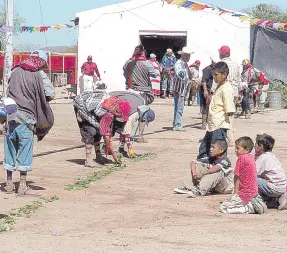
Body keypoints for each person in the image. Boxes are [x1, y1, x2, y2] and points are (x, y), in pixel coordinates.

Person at [3, 50, 55, 196]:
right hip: (27, 118)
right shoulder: (40, 73)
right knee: (25, 149)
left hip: (10, 115)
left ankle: (8, 184)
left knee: (10, 148)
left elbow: (8, 89)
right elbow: (50, 94)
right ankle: (23, 186)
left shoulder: (15, 70)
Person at [74, 92, 131, 167]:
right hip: (82, 105)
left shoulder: (115, 105)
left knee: (98, 131)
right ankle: (88, 160)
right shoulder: (108, 114)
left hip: (92, 108)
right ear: (117, 111)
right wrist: (113, 154)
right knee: (91, 131)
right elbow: (106, 136)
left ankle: (98, 156)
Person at [220, 137, 267, 214]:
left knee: (224, 207)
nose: (235, 150)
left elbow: (237, 177)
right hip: (253, 192)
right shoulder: (250, 157)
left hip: (245, 193)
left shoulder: (241, 158)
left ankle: (249, 208)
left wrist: (235, 194)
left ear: (247, 150)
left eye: (238, 148)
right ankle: (253, 203)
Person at [198, 62, 235, 159]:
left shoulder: (226, 89)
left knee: (218, 154)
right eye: (213, 75)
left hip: (219, 126)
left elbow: (230, 110)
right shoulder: (219, 86)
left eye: (216, 75)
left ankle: (220, 171)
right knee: (204, 151)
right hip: (212, 125)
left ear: (224, 75)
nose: (214, 77)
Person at [123, 45, 157, 143]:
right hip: (142, 93)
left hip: (130, 91)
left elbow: (125, 74)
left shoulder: (128, 63)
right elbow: (154, 74)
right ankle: (140, 136)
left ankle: (125, 135)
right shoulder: (147, 64)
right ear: (143, 53)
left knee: (128, 114)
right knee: (143, 115)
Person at [109, 90, 155, 156]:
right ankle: (107, 148)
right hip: (112, 102)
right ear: (145, 115)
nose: (142, 121)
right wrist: (130, 150)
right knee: (117, 130)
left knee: (122, 129)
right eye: (144, 119)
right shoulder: (135, 113)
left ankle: (121, 149)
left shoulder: (141, 103)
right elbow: (127, 132)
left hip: (115, 98)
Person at [255, 134, 287, 210]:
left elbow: (253, 173)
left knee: (254, 180)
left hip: (275, 188)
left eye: (256, 144)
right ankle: (275, 199)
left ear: (261, 147)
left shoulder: (263, 158)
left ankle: (258, 201)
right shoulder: (271, 156)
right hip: (282, 187)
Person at [218, 46, 241, 147]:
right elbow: (239, 79)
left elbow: (219, 79)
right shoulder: (236, 64)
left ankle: (230, 139)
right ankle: (229, 137)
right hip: (235, 91)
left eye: (220, 52)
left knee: (224, 115)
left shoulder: (221, 64)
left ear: (222, 54)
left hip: (225, 91)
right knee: (231, 115)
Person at [172, 47, 193, 131]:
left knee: (179, 106)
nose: (189, 57)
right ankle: (177, 124)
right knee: (179, 106)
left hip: (181, 88)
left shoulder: (183, 63)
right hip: (179, 88)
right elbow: (180, 74)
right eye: (188, 55)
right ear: (183, 55)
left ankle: (176, 123)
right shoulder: (179, 63)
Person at [200, 59, 215, 129]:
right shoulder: (207, 70)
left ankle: (208, 123)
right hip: (207, 90)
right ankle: (204, 123)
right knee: (205, 106)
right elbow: (204, 81)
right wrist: (205, 90)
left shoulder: (215, 69)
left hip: (212, 90)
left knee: (211, 107)